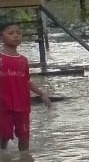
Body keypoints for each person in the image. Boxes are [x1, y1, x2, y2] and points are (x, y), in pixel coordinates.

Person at [0, 22, 51, 151]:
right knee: (3, 136)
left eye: (18, 33)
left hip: (22, 105)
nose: (16, 36)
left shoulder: (23, 60)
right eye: (11, 33)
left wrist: (41, 93)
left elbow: (26, 81)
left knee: (24, 137)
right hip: (3, 106)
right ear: (1, 37)